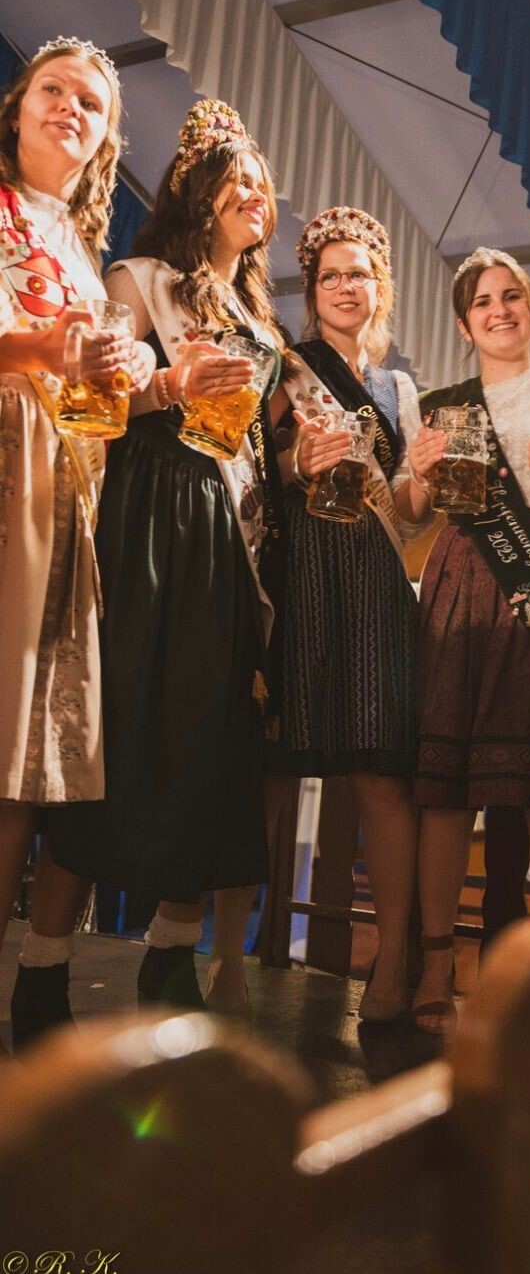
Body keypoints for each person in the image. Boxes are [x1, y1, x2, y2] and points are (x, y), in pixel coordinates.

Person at [47, 99, 288, 1013]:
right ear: (197, 194)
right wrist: (171, 384)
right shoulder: (139, 277)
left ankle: (172, 951)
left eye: (262, 185)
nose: (255, 195)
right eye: (238, 182)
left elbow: (261, 443)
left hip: (231, 532)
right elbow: (97, 405)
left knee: (214, 735)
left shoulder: (260, 315)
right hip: (153, 510)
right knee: (127, 725)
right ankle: (42, 962)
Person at [403, 247, 530, 1031]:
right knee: (448, 789)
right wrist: (419, 471)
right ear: (464, 323)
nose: (499, 310)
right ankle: (435, 967)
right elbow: (414, 512)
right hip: (462, 579)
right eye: (483, 301)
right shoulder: (441, 405)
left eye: (511, 295)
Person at [0, 37, 153, 1047]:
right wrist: (45, 347)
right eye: (53, 89)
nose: (70, 108)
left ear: (104, 141)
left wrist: (140, 378)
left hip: (67, 494)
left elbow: (98, 392)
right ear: (17, 107)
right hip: (3, 469)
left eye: (91, 103)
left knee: (29, 755)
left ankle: (31, 976)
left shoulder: (79, 247)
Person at [269, 206, 423, 1023]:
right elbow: (261, 467)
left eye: (358, 273)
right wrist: (300, 459)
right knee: (272, 766)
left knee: (381, 774)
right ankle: (232, 953)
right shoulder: (285, 366)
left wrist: (426, 479)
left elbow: (407, 510)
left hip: (374, 577)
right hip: (302, 569)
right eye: (330, 275)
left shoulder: (399, 388)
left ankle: (392, 961)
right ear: (312, 290)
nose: (344, 286)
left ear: (380, 285)